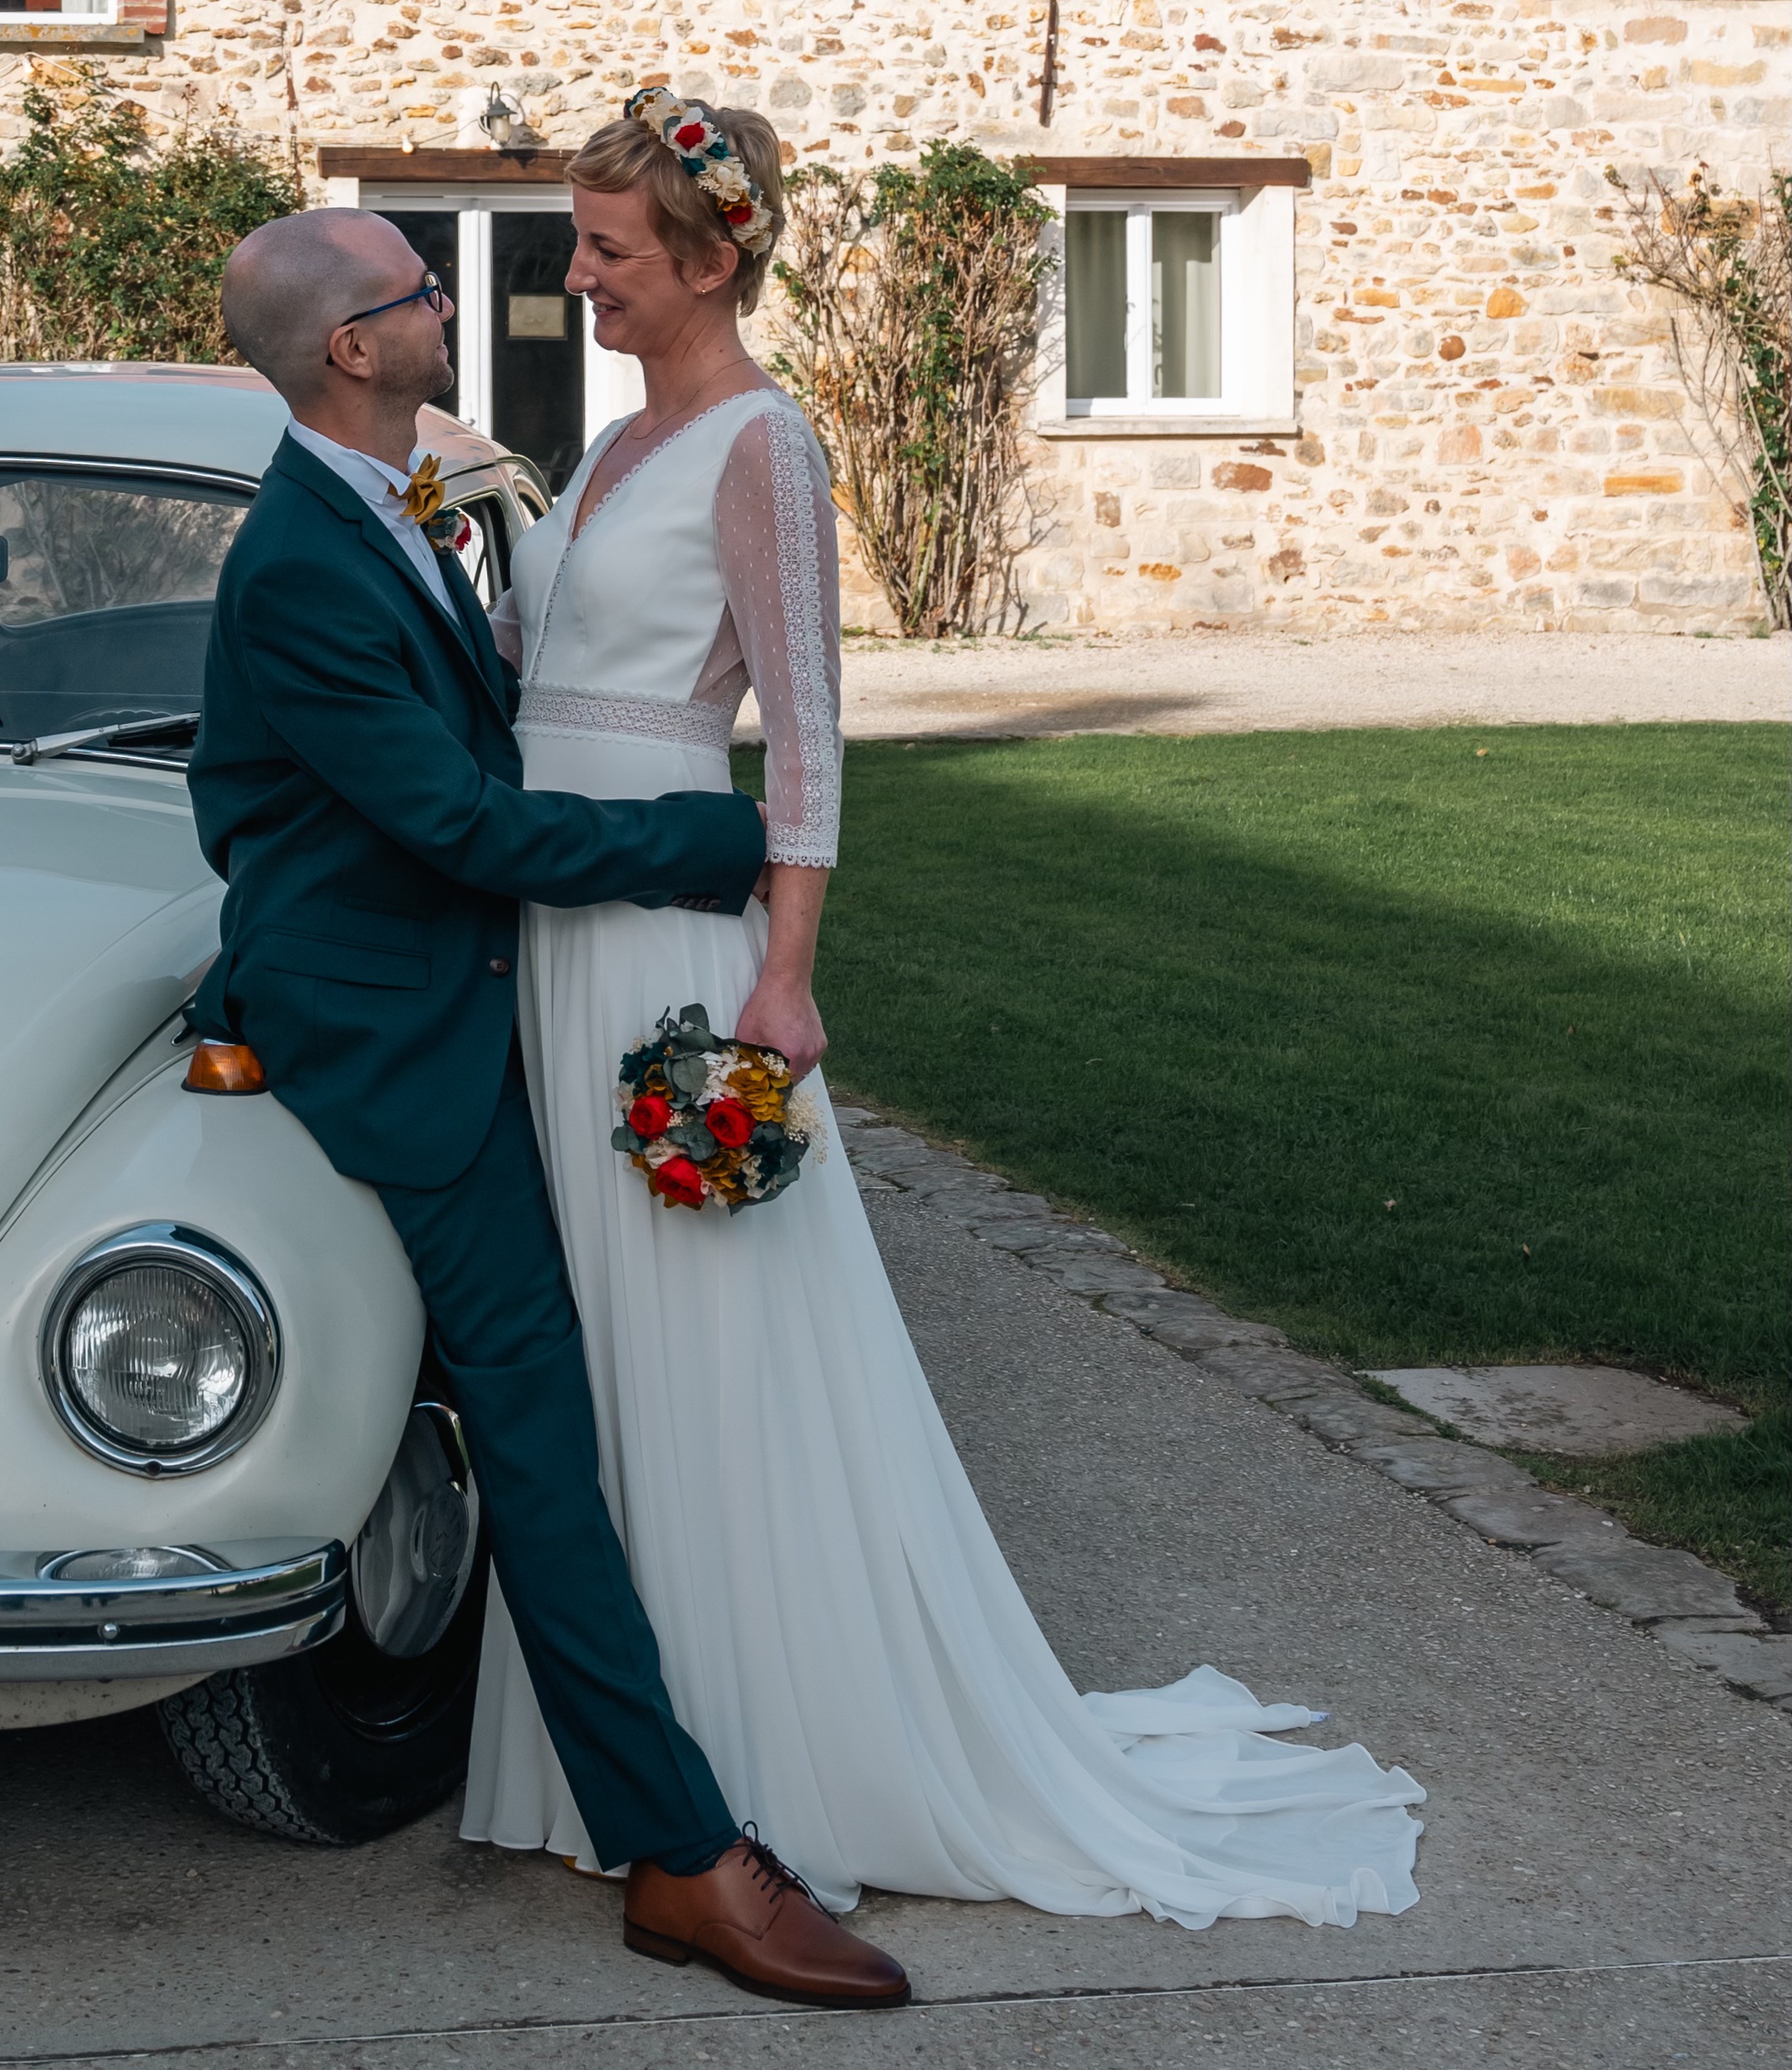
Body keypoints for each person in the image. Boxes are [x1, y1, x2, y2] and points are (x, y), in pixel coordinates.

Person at [460, 89, 1429, 1929]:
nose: (572, 276)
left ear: (708, 260)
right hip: (549, 921)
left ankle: (771, 1749)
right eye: (575, 245)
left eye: (604, 249)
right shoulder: (600, 449)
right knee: (590, 1348)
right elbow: (530, 668)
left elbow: (806, 734)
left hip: (665, 944)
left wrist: (782, 972)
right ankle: (617, 1745)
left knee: (708, 1339)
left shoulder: (764, 446)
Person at [192, 207, 913, 2008]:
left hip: (508, 976)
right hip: (398, 1021)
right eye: (421, 289)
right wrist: (701, 839)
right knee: (531, 1413)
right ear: (354, 348)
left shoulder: (398, 496)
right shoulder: (302, 557)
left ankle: (681, 1788)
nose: (460, 300)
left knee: (571, 1385)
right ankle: (680, 1851)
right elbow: (454, 823)